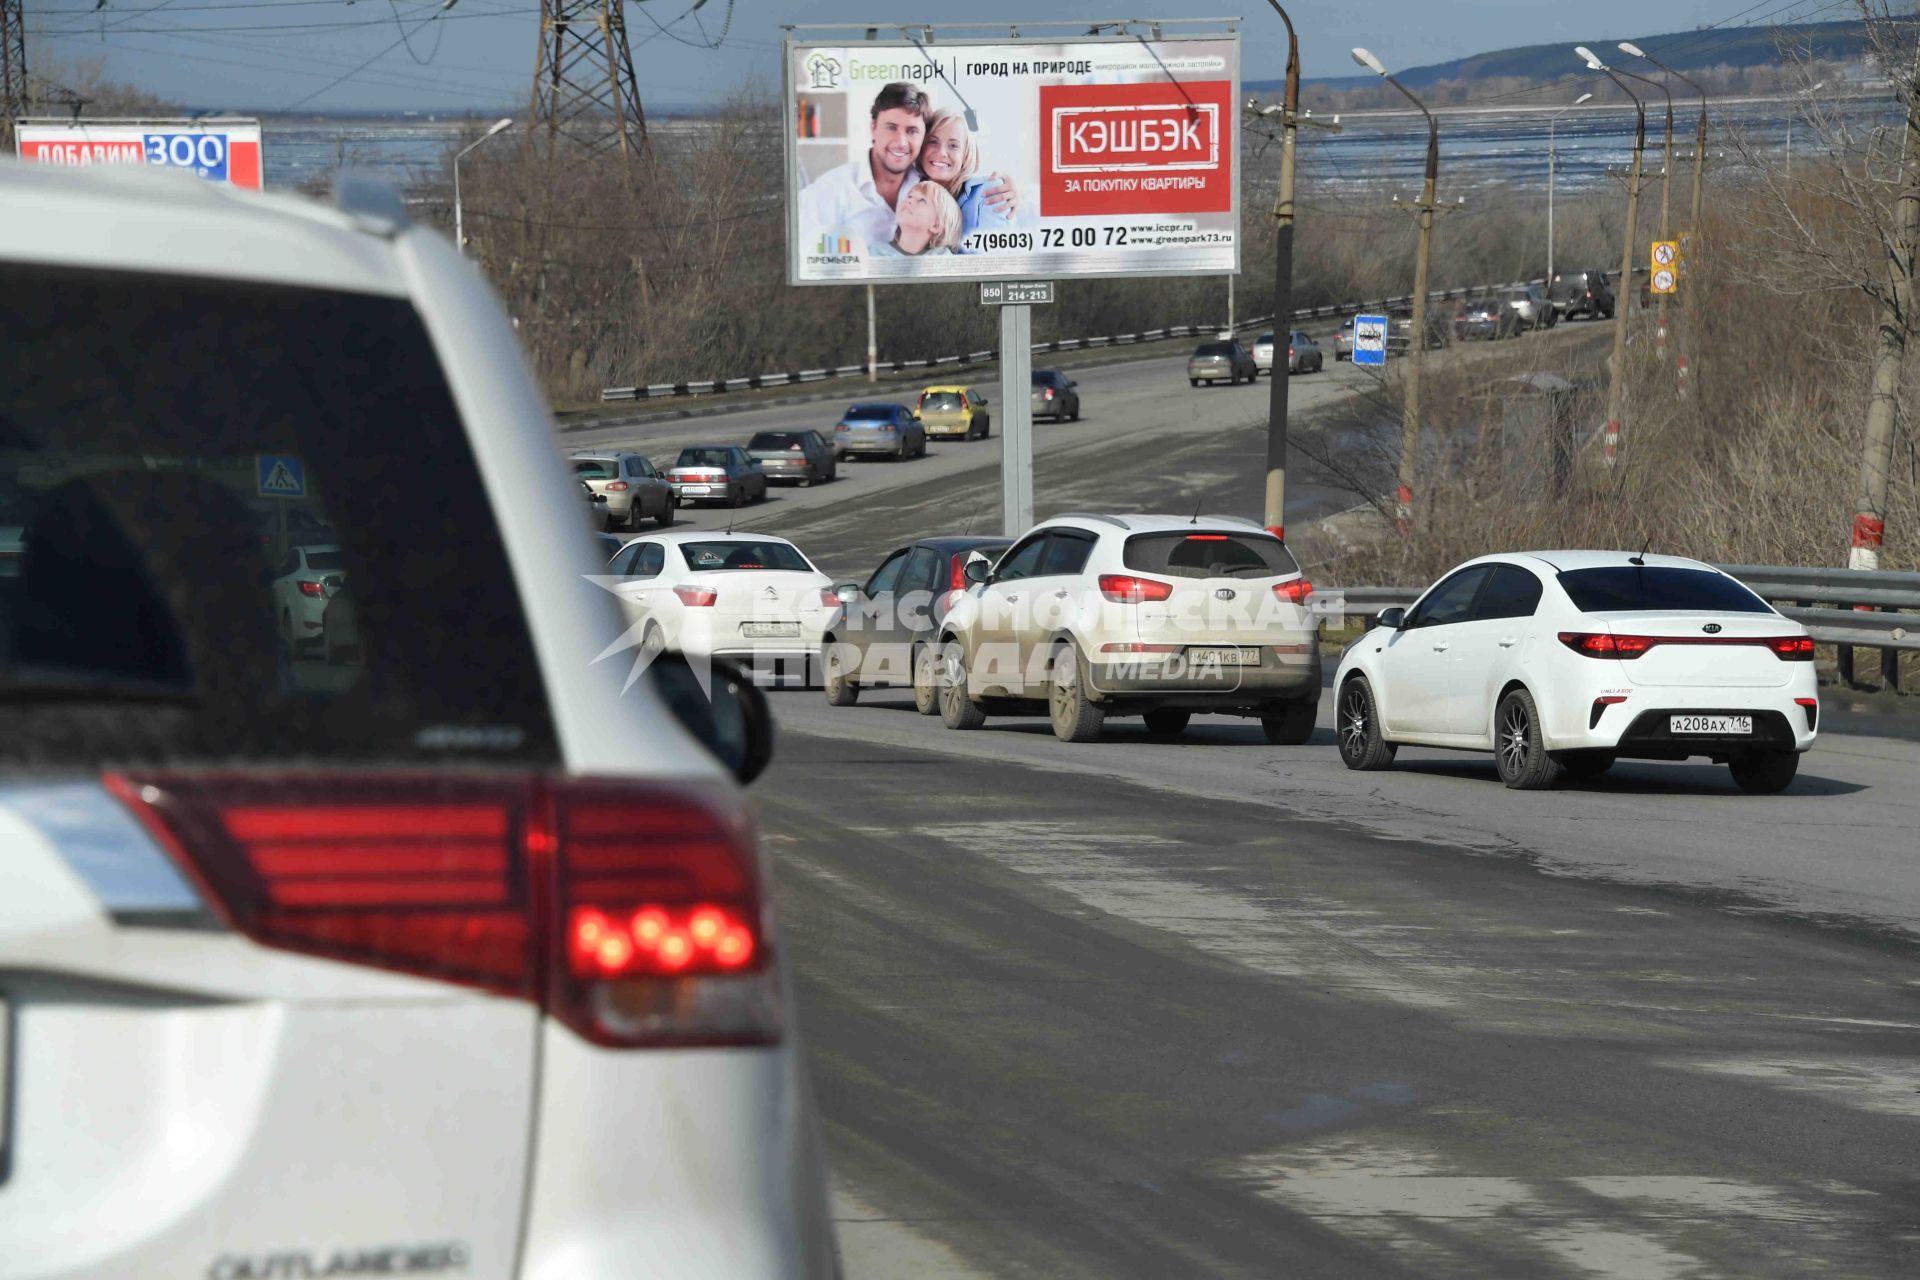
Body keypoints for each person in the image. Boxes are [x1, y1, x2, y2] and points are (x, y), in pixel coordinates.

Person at [797, 81, 932, 249]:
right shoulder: (830, 189)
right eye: (891, 128)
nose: (901, 142)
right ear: (873, 128)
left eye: (912, 131)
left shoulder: (930, 187)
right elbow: (803, 257)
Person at [918, 109, 1019, 251]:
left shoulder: (989, 193)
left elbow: (992, 265)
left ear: (966, 154)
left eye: (953, 145)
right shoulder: (909, 194)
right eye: (933, 141)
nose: (941, 152)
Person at [866, 182, 963, 257]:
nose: (909, 200)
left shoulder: (942, 257)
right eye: (909, 196)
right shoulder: (876, 251)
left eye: (922, 200)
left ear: (936, 225)